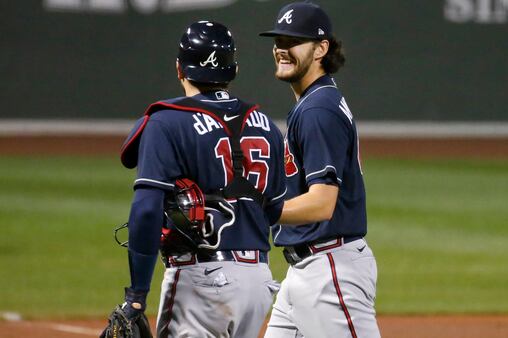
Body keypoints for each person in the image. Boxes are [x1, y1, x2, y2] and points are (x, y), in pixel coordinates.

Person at [101, 20, 286, 338]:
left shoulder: (166, 122)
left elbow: (146, 211)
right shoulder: (267, 125)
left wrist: (136, 298)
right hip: (258, 281)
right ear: (233, 69)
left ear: (179, 68)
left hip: (200, 280)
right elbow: (274, 209)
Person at [259, 2, 381, 338]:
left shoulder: (317, 110)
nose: (282, 50)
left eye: (292, 41)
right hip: (305, 272)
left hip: (330, 272)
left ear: (321, 49)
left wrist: (259, 210)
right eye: (278, 41)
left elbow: (322, 203)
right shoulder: (315, 101)